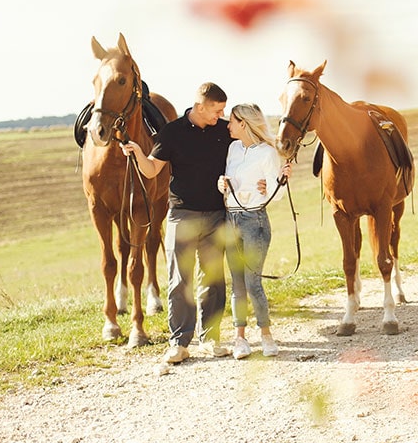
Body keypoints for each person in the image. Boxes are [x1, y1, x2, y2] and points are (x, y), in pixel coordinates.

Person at [120, 82, 232, 364]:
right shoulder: (172, 132)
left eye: (222, 110)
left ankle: (211, 338)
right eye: (216, 110)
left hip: (217, 214)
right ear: (199, 106)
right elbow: (151, 170)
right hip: (182, 215)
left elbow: (251, 151)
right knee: (180, 280)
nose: (220, 115)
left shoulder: (225, 131)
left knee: (214, 280)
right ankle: (179, 343)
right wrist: (136, 153)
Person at [217, 103, 291, 360]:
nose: (228, 126)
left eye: (232, 121)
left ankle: (266, 335)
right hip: (231, 219)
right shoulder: (232, 149)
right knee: (237, 284)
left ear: (244, 124)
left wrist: (272, 184)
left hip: (254, 221)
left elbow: (278, 193)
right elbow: (228, 182)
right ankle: (239, 339)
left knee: (252, 282)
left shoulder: (267, 153)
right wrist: (222, 184)